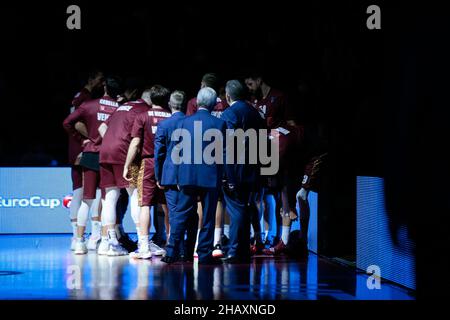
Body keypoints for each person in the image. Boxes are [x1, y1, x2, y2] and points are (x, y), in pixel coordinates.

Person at [161, 87, 226, 265]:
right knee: (208, 217)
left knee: (180, 214)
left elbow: (175, 153)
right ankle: (204, 254)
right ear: (213, 104)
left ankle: (171, 251)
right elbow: (222, 154)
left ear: (197, 102)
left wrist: (177, 177)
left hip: (187, 176)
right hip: (210, 177)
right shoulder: (219, 124)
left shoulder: (184, 122)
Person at [63, 76, 123, 255]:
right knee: (106, 201)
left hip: (90, 153)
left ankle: (79, 242)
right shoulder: (120, 109)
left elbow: (67, 122)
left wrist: (83, 139)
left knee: (86, 200)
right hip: (108, 156)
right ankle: (104, 242)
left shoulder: (89, 105)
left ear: (104, 88)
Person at [97, 87, 152, 255]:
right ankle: (143, 242)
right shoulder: (145, 110)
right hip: (123, 154)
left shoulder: (122, 106)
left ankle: (108, 243)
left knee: (110, 199)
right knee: (135, 195)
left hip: (105, 151)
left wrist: (112, 142)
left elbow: (101, 128)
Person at [123, 85, 172, 259]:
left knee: (145, 205)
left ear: (151, 99)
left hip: (149, 163)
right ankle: (171, 244)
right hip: (169, 164)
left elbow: (135, 143)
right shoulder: (172, 117)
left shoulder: (142, 116)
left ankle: (143, 247)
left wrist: (127, 165)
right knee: (168, 207)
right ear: (167, 100)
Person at [220, 80, 265, 263]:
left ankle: (234, 250)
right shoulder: (256, 113)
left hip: (236, 170)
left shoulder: (229, 113)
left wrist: (228, 175)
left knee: (237, 208)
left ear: (228, 96)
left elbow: (227, 147)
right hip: (253, 169)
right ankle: (243, 249)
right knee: (245, 207)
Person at [186, 73, 229, 259]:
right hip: (215, 160)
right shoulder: (225, 105)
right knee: (216, 203)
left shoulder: (194, 102)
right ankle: (216, 242)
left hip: (196, 157)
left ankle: (197, 242)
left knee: (199, 204)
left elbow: (189, 128)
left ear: (203, 85)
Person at [154, 91, 198, 262]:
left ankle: (176, 250)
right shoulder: (193, 124)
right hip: (190, 174)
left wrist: (159, 176)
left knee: (174, 214)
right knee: (191, 213)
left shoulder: (164, 125)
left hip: (171, 174)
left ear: (170, 105)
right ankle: (187, 252)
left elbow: (159, 153)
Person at [66, 70, 104, 250]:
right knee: (84, 192)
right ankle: (86, 236)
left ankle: (77, 236)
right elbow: (75, 122)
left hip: (78, 147)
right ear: (91, 79)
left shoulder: (81, 95)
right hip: (82, 148)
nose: (101, 82)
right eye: (99, 79)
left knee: (79, 191)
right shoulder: (86, 97)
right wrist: (89, 138)